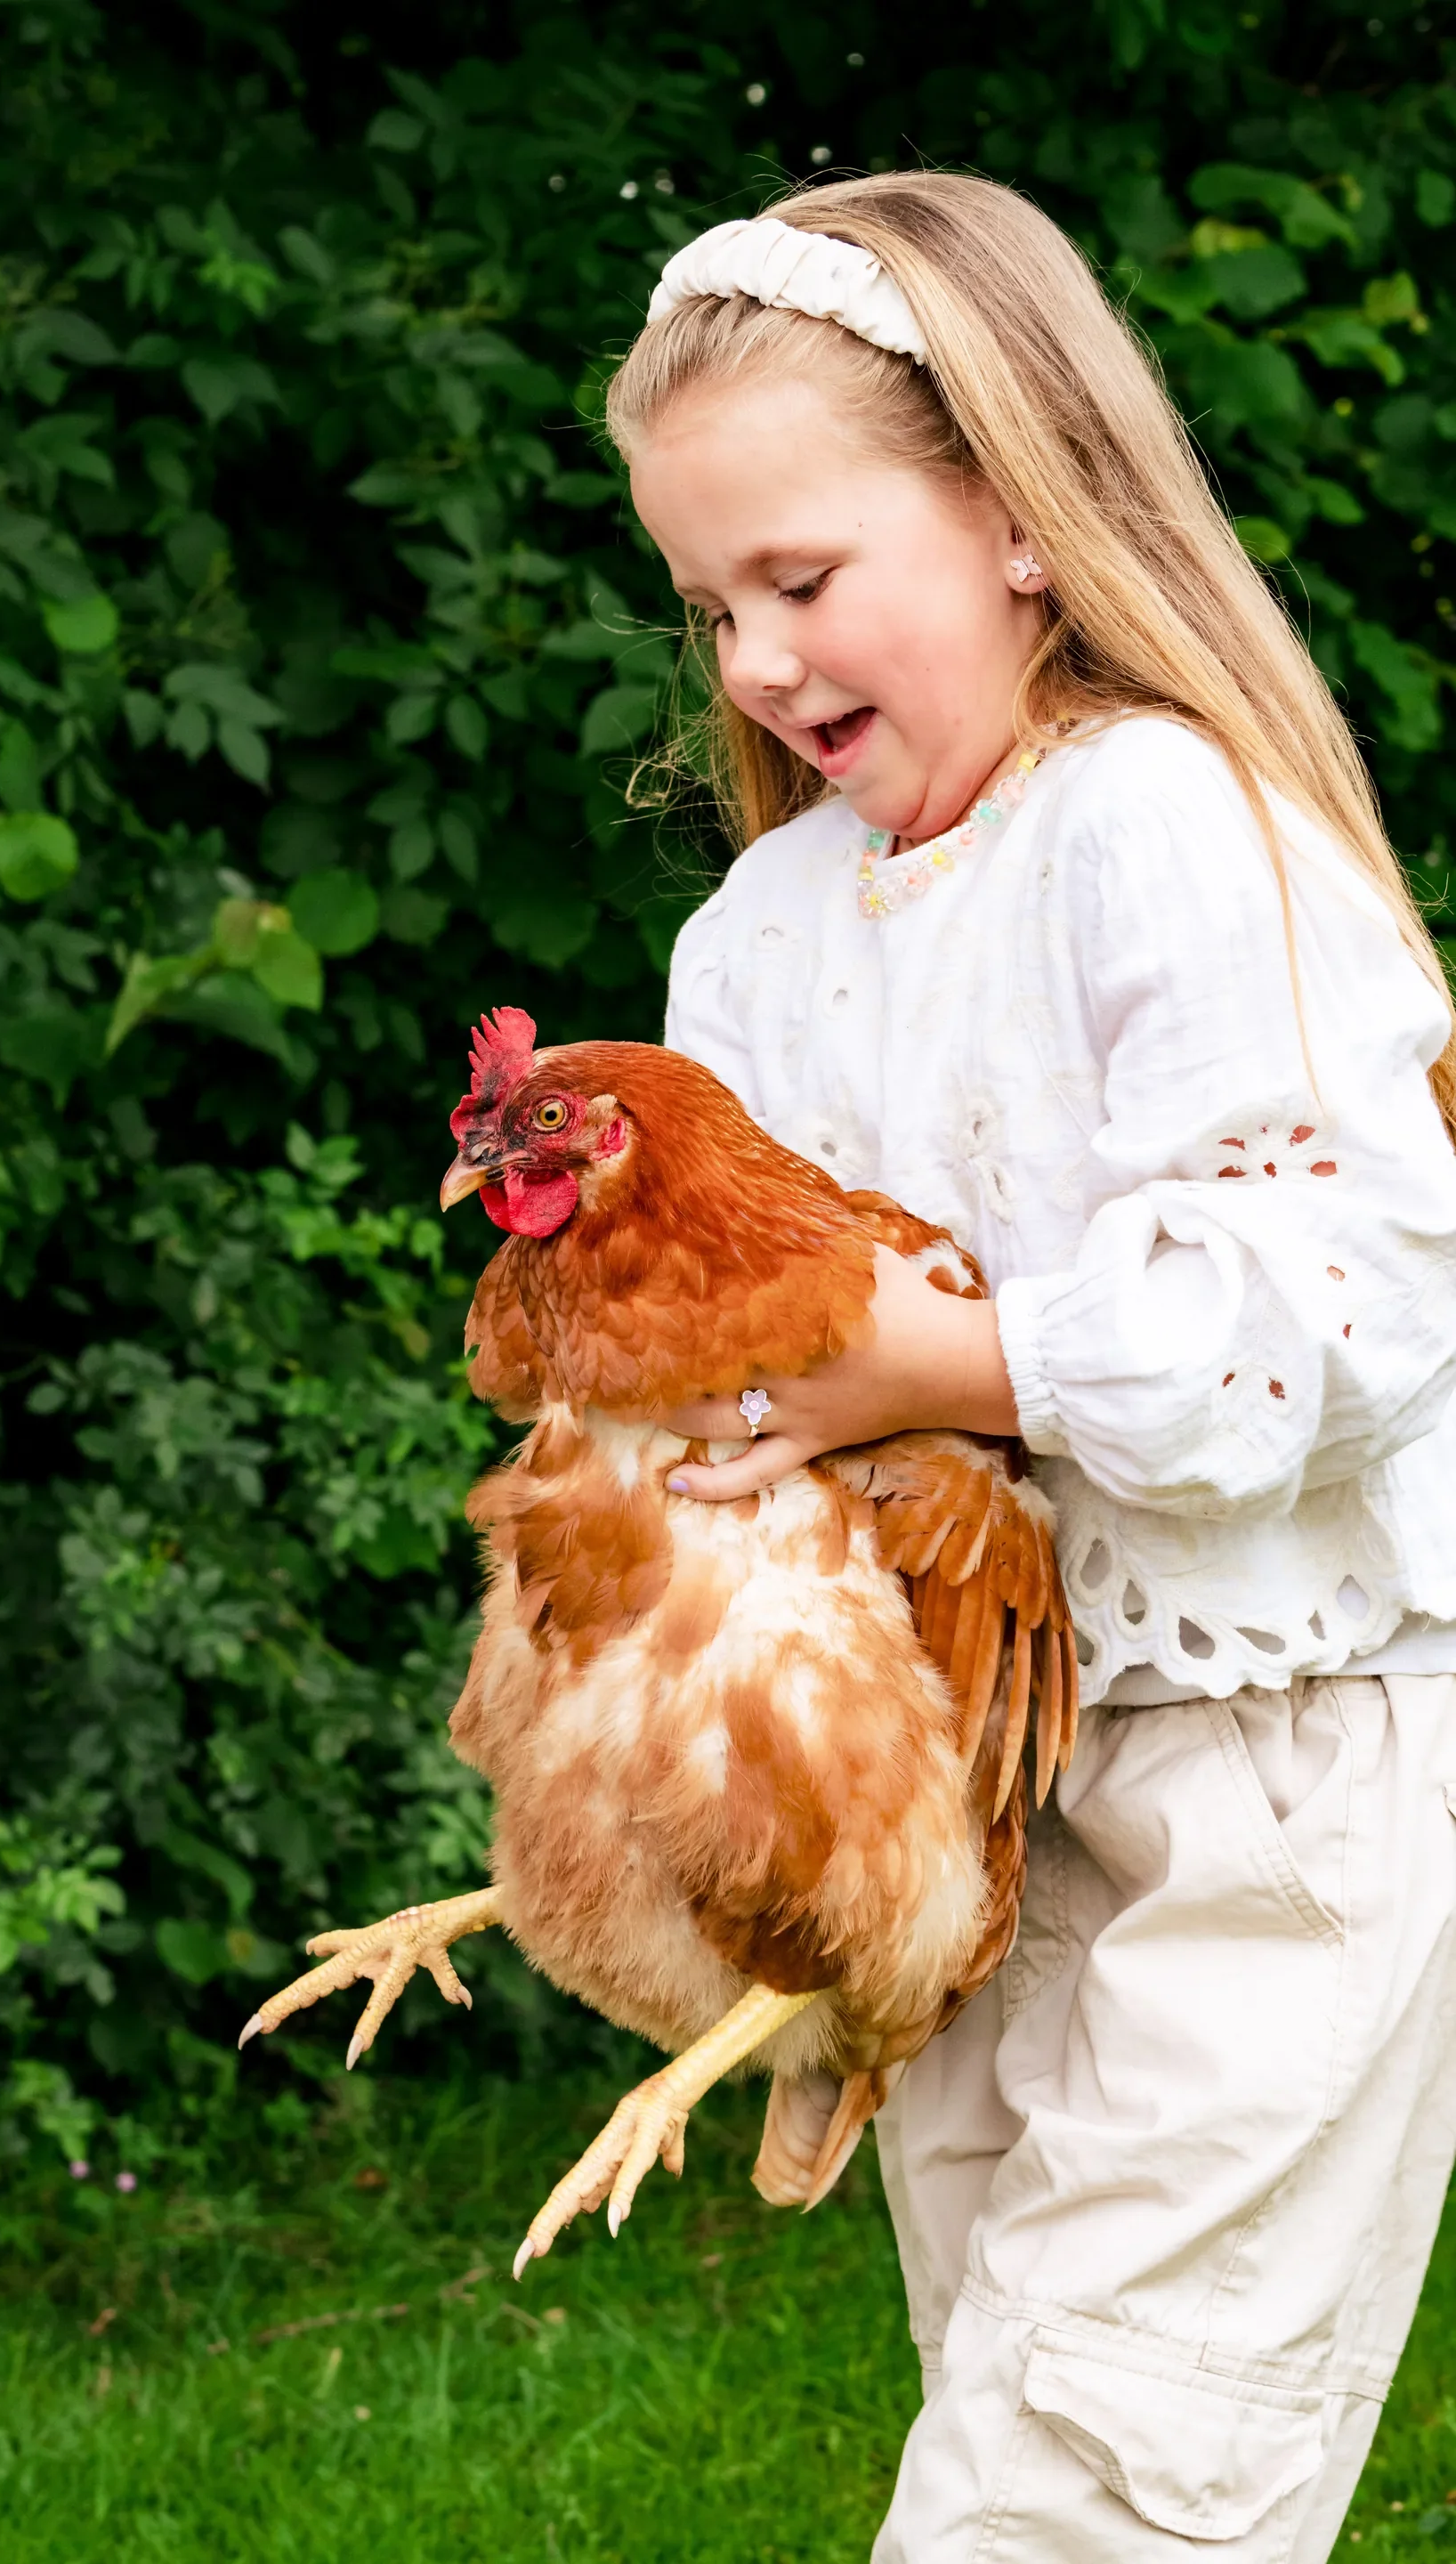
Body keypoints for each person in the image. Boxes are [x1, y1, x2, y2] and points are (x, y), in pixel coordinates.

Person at [604, 172, 1456, 2561]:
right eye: (714, 608)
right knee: (1005, 2389)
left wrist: (928, 1357)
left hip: (1266, 1766)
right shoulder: (757, 938)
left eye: (805, 577)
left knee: (1102, 2474)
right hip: (953, 1800)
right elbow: (727, 1369)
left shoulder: (1169, 830)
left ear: (1018, 518)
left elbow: (1358, 1302)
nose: (759, 662)